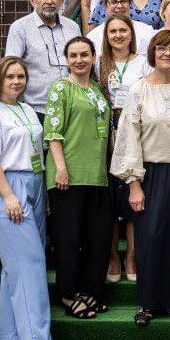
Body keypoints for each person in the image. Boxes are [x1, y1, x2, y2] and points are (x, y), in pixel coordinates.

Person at [111, 29, 170, 324]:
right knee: (153, 236)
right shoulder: (139, 89)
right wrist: (134, 184)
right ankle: (150, 303)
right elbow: (128, 136)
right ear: (152, 53)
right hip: (152, 171)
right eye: (162, 48)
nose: (168, 53)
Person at [0, 57, 58, 340]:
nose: (16, 81)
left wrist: (43, 194)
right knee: (31, 263)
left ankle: (9, 333)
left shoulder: (26, 110)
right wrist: (9, 196)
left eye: (21, 76)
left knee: (16, 267)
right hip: (8, 186)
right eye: (10, 76)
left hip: (34, 183)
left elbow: (36, 152)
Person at [44, 36, 112, 320]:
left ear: (94, 57)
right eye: (73, 55)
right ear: (67, 59)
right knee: (68, 238)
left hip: (96, 175)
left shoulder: (96, 89)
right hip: (68, 175)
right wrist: (60, 168)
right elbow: (53, 132)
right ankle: (69, 294)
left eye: (85, 54)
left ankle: (90, 292)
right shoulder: (60, 89)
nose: (79, 60)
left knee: (96, 238)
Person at [98, 14, 147, 284]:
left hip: (134, 132)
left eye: (123, 30)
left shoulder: (142, 62)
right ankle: (112, 257)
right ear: (106, 36)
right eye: (113, 31)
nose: (118, 35)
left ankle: (131, 255)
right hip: (106, 135)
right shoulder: (100, 64)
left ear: (131, 34)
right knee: (109, 201)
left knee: (131, 196)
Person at [5, 0, 81, 118]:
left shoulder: (73, 27)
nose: (49, 1)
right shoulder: (20, 28)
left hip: (70, 107)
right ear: (32, 0)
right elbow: (10, 67)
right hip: (35, 109)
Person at [87, 0, 154, 56]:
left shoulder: (146, 31)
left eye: (123, 1)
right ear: (106, 6)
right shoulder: (93, 36)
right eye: (114, 2)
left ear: (130, 4)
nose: (119, 6)